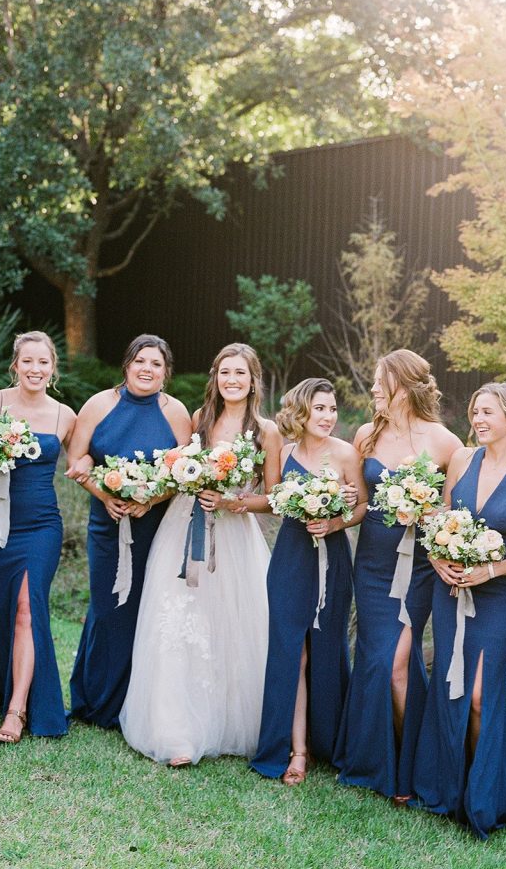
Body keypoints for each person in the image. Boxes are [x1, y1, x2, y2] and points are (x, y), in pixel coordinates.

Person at [120, 342, 281, 765]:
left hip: (233, 537)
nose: (231, 379)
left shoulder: (267, 431)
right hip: (183, 527)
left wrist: (233, 501)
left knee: (228, 626)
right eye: (224, 372)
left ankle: (224, 722)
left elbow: (275, 497)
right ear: (216, 377)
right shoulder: (200, 419)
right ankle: (177, 731)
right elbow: (179, 469)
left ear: (252, 381)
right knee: (177, 622)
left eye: (240, 373)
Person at [412, 383, 506, 838]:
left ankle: (486, 798)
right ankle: (447, 791)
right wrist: (440, 561)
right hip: (450, 587)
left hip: (499, 596)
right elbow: (440, 520)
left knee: (478, 695)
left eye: (487, 412)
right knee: (449, 687)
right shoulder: (461, 460)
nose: (478, 419)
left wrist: (489, 571)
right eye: (474, 411)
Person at [334, 350, 463, 801]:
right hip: (371, 561)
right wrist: (340, 506)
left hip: (420, 566)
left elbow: (453, 512)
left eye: (379, 380)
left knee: (396, 667)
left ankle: (416, 766)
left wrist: (427, 513)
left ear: (405, 385)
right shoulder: (367, 434)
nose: (372, 388)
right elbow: (361, 501)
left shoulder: (447, 443)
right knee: (375, 659)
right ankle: (372, 761)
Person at [67, 335, 191, 728]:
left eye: (155, 364)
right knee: (107, 608)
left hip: (154, 526)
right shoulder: (100, 404)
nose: (146, 369)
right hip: (106, 523)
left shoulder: (176, 413)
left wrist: (151, 500)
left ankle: (129, 703)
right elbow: (76, 460)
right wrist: (103, 494)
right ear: (127, 365)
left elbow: (186, 472)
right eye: (140, 361)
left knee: (142, 609)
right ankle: (92, 697)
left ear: (165, 372)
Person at [251, 378, 367, 785]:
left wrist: (336, 520)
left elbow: (364, 505)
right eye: (320, 408)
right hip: (290, 558)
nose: (328, 417)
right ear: (302, 411)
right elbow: (272, 500)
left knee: (326, 649)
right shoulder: (283, 453)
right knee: (290, 652)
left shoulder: (347, 453)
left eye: (332, 409)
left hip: (332, 559)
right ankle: (294, 750)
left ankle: (326, 741)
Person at [0, 332, 76, 742]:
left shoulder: (65, 416)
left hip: (41, 526)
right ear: (15, 365)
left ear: (53, 369)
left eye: (43, 362)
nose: (35, 369)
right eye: (28, 361)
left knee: (26, 607)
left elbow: (84, 462)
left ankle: (17, 710)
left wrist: (124, 489)